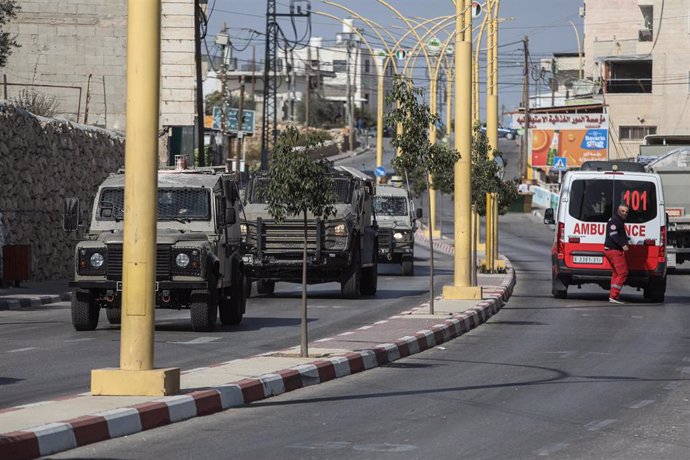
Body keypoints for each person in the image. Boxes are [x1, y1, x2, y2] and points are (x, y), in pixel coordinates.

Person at [604, 203, 630, 304]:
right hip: (614, 251)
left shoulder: (618, 220)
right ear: (618, 211)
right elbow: (613, 234)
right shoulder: (616, 220)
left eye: (626, 212)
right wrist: (623, 244)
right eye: (622, 211)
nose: (624, 213)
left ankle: (613, 295)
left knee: (616, 274)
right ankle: (614, 296)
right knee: (623, 273)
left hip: (611, 250)